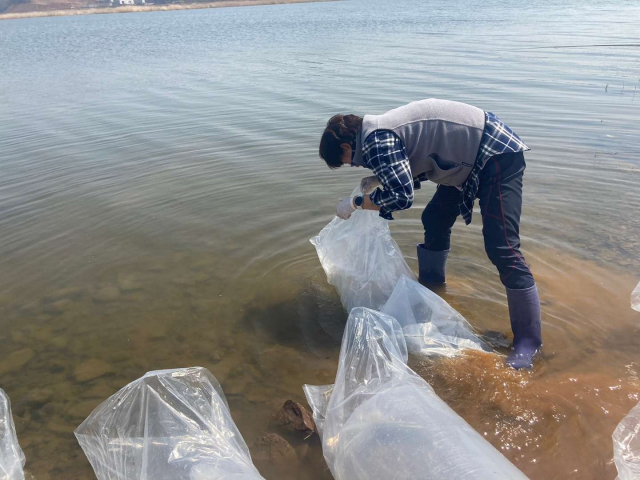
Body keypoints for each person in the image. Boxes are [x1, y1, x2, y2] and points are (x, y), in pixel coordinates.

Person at [318, 98, 542, 369]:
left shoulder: (376, 141)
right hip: (464, 162)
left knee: (502, 246)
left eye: (346, 161)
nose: (353, 166)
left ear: (346, 145)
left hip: (495, 154)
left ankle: (528, 342)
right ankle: (432, 290)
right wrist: (379, 180)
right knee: (434, 218)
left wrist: (356, 204)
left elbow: (401, 198)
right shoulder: (376, 135)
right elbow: (413, 162)